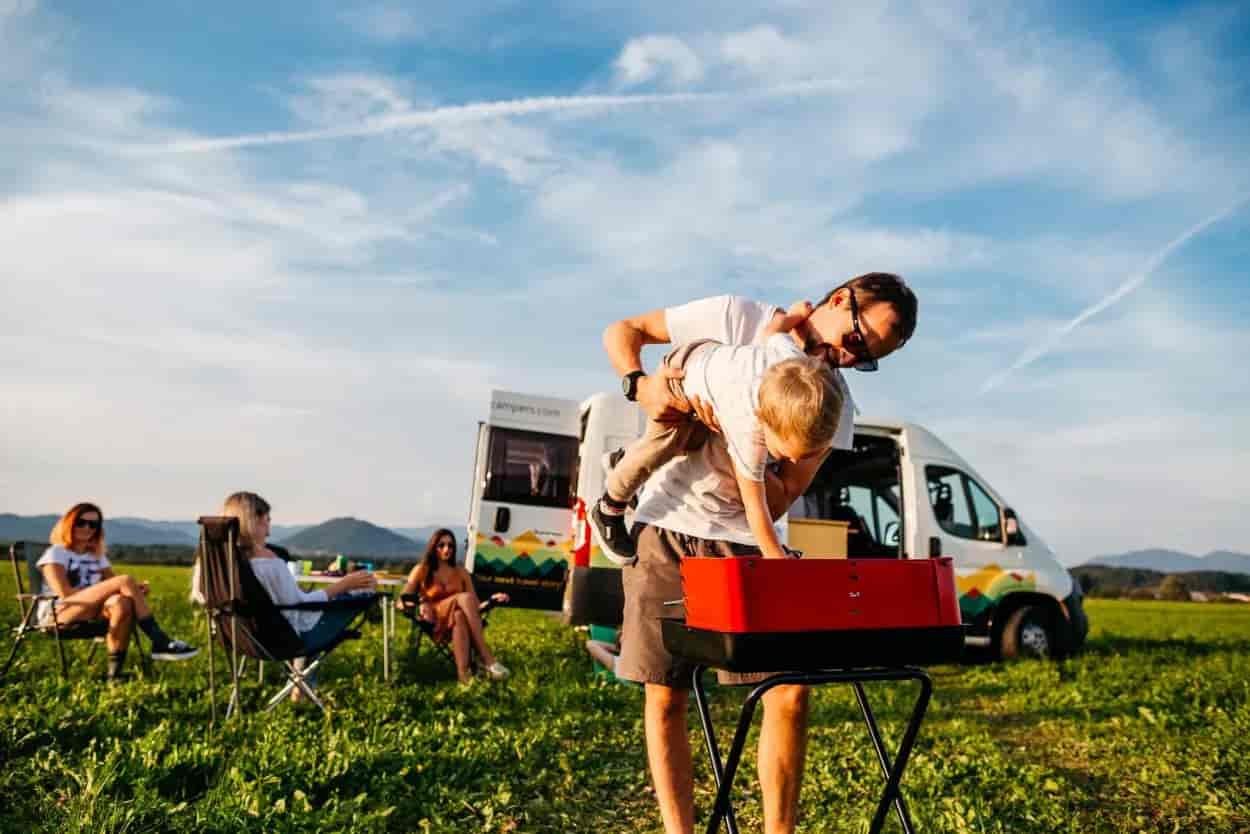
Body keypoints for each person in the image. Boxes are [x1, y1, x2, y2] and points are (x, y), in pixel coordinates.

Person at [602, 273, 918, 834]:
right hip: (668, 524)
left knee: (789, 692)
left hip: (747, 540)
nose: (849, 357)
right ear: (841, 299)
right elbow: (623, 330)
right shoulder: (735, 317)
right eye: (858, 339)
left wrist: (747, 442)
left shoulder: (833, 406)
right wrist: (639, 384)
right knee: (665, 691)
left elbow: (778, 496)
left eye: (867, 359)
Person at [591, 300, 841, 564]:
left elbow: (774, 330)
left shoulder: (792, 363)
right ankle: (610, 505)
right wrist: (776, 557)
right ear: (766, 423)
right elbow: (755, 506)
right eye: (783, 453)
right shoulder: (749, 426)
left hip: (715, 361)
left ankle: (628, 458)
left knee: (696, 439)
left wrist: (795, 316)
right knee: (666, 442)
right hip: (682, 372)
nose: (790, 463)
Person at [219, 492, 376, 701]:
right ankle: (301, 689)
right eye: (267, 522)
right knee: (358, 593)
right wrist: (344, 585)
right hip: (280, 639)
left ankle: (299, 688)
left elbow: (202, 598)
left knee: (307, 612)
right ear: (253, 521)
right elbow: (300, 605)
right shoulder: (269, 561)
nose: (269, 531)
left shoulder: (218, 563)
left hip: (237, 636)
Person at [36, 502, 198, 680]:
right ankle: (159, 640)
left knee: (123, 603)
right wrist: (122, 586)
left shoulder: (97, 556)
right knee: (125, 580)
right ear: (69, 523)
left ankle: (114, 675)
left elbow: (114, 585)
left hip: (93, 612)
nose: (87, 528)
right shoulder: (56, 553)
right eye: (81, 522)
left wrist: (134, 591)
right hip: (59, 614)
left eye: (93, 524)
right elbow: (65, 595)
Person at [397, 529, 511, 684]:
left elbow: (475, 606)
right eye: (441, 545)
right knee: (464, 597)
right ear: (433, 547)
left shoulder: (461, 572)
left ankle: (464, 678)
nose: (446, 549)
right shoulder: (422, 570)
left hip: (457, 623)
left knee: (459, 615)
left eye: (450, 545)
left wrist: (492, 600)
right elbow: (402, 599)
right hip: (435, 621)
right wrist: (419, 603)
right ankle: (487, 658)